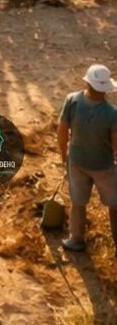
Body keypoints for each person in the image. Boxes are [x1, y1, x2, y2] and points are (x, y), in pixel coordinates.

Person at [58, 64, 117, 254]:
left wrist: (63, 155)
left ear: (87, 83)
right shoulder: (112, 113)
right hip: (103, 166)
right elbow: (116, 145)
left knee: (78, 202)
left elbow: (62, 131)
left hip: (76, 161)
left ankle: (76, 239)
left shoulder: (72, 100)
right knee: (114, 204)